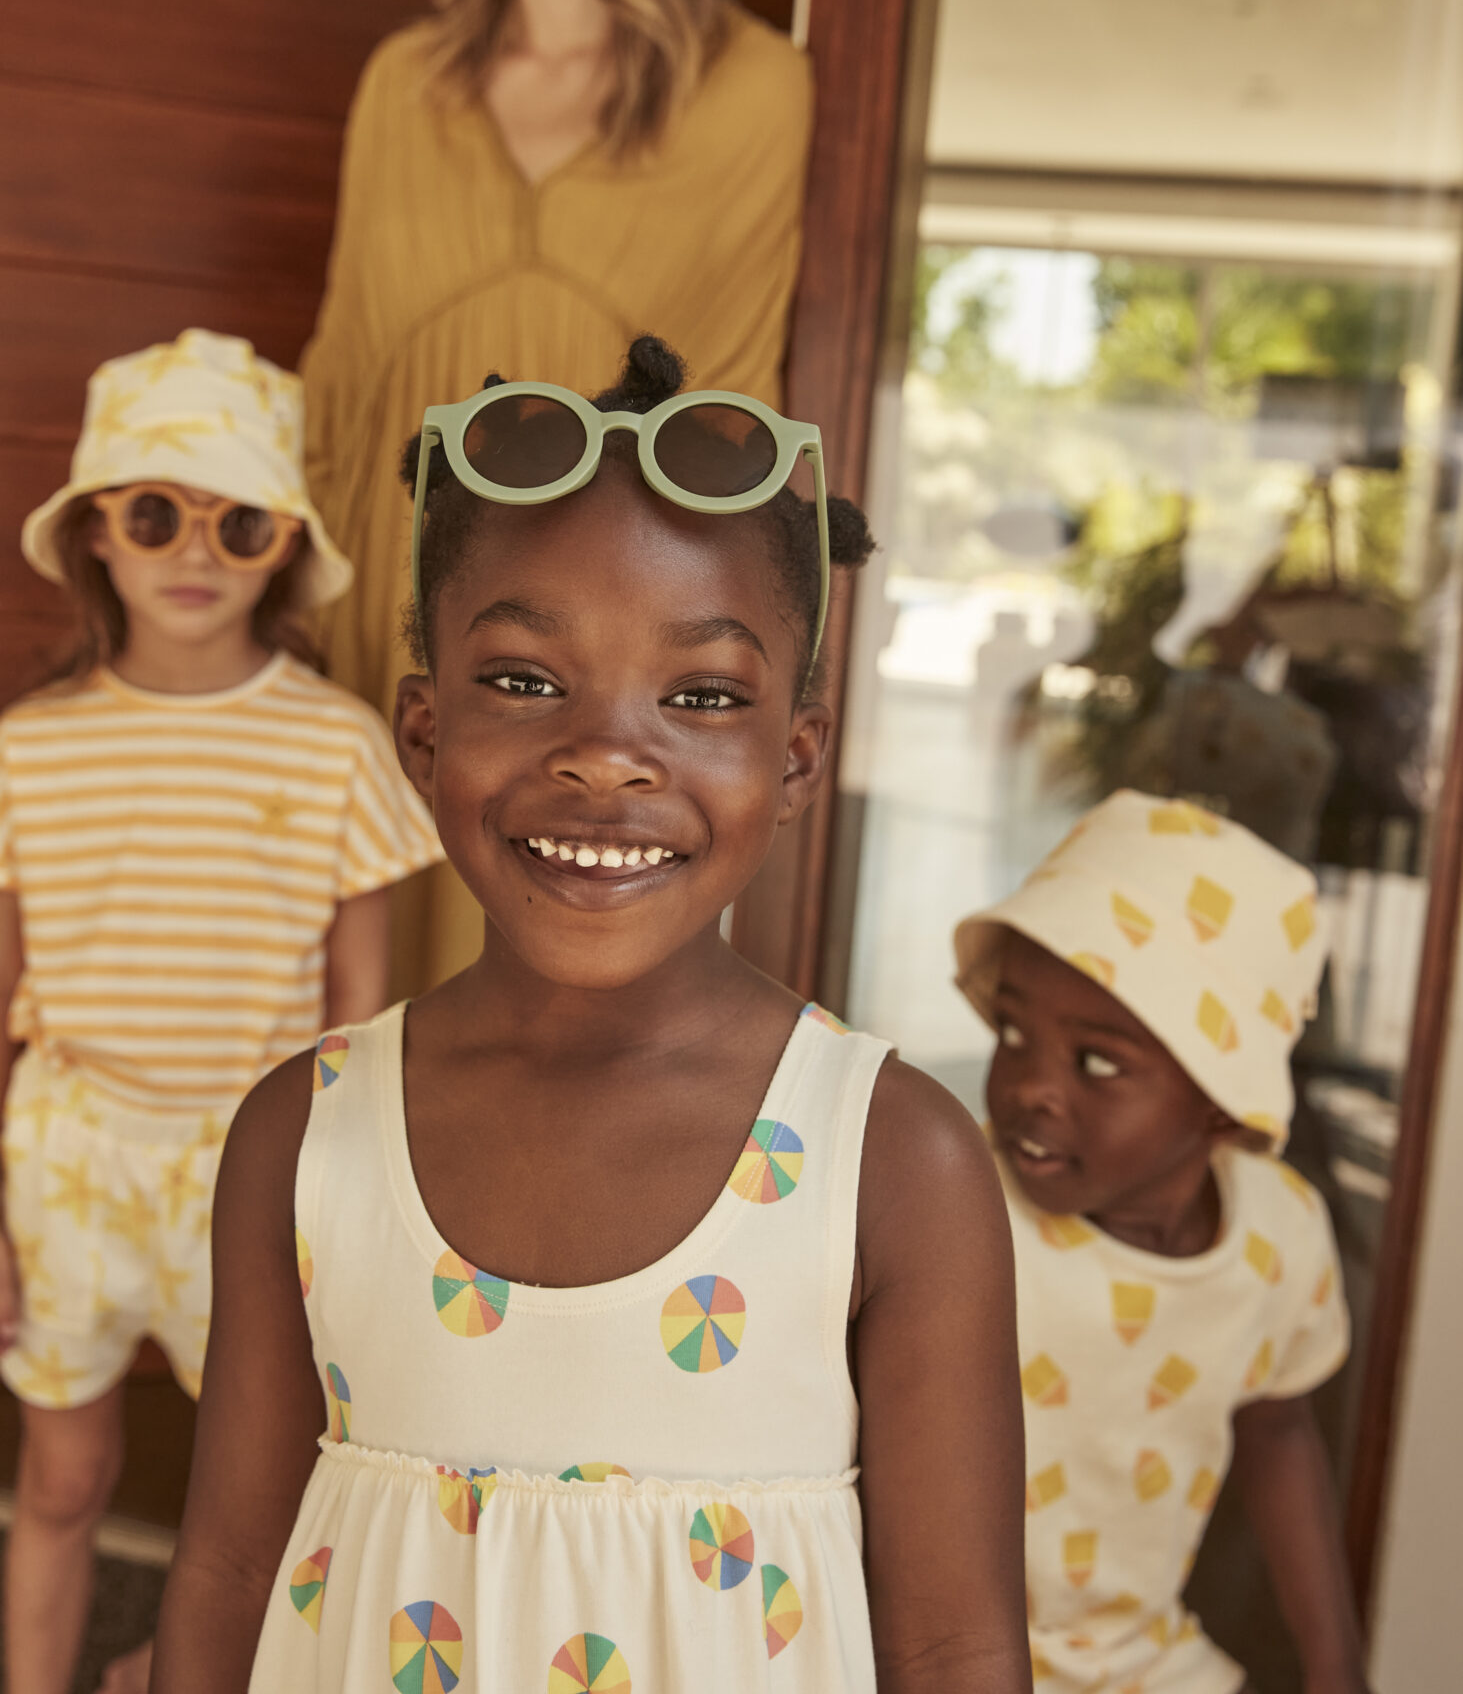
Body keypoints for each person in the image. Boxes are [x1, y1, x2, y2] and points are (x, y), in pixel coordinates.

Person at [152, 339, 1031, 1694]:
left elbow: (953, 1643)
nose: (608, 755)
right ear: (424, 731)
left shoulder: (892, 1162)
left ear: (794, 759)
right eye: (523, 679)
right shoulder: (307, 1134)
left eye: (701, 696)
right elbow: (224, 1572)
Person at [301, 0, 816, 996]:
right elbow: (333, 409)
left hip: (586, 710)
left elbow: (728, 460)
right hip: (369, 686)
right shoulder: (402, 87)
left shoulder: (752, 94)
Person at [0, 329, 442, 1694]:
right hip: (63, 1158)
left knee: (258, 1506)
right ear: (96, 534)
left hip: (250, 1166)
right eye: (155, 513)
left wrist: (340, 1209)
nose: (193, 550)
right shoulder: (28, 747)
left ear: (283, 545)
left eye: (238, 521)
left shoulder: (336, 743)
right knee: (59, 1477)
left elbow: (359, 1013)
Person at [954, 790, 1372, 1694]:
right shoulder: (953, 1209)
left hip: (1135, 1659)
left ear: (1223, 1102)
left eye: (1097, 1062)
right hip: (933, 1653)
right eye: (1013, 1032)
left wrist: (1335, 1665)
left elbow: (1278, 1430)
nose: (1029, 1087)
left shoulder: (1279, 1237)